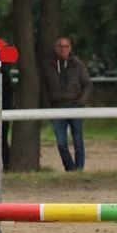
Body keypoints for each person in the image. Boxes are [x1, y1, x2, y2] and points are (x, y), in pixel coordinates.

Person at [41, 36, 92, 171]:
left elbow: (87, 85)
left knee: (78, 140)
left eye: (65, 46)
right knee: (61, 142)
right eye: (60, 46)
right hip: (56, 108)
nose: (62, 49)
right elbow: (44, 88)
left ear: (70, 48)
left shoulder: (78, 65)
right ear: (55, 48)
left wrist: (81, 103)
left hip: (75, 106)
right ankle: (70, 168)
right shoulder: (48, 66)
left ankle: (79, 169)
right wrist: (48, 107)